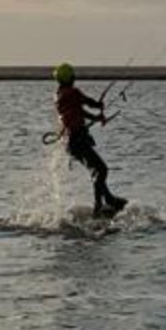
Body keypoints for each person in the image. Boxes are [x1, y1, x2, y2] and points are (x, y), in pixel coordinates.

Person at [53, 63, 127, 218]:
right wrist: (99, 105)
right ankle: (99, 206)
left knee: (95, 170)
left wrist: (96, 117)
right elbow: (87, 102)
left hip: (71, 142)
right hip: (78, 139)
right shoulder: (73, 93)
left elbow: (79, 111)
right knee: (101, 170)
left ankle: (109, 199)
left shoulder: (60, 95)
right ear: (71, 78)